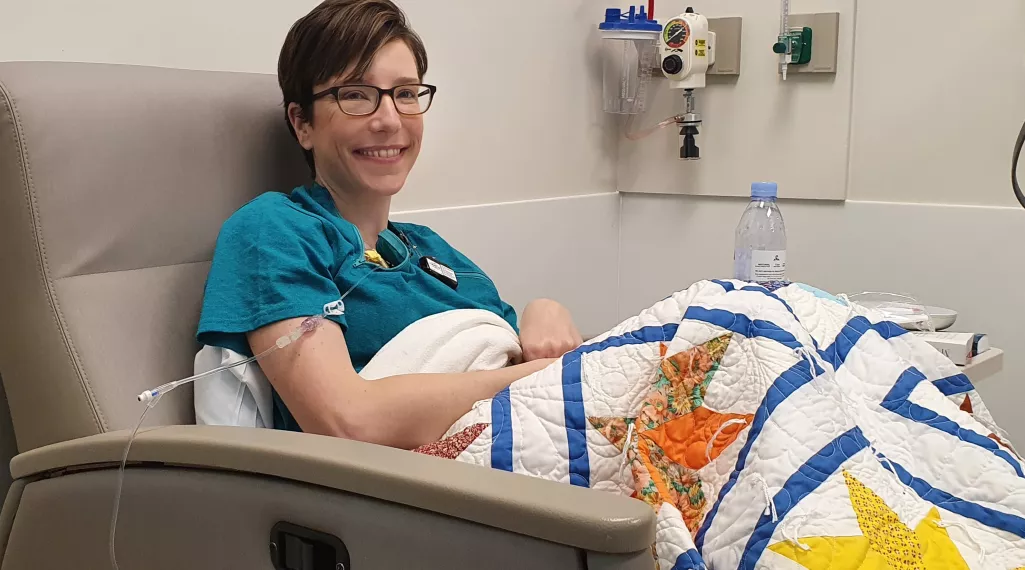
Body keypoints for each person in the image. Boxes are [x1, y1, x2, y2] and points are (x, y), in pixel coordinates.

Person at [196, 0, 582, 449]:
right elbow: (348, 421)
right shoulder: (274, 231)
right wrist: (537, 378)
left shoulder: (429, 249)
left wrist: (543, 312)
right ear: (302, 123)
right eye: (356, 94)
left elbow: (505, 348)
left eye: (405, 93)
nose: (389, 120)